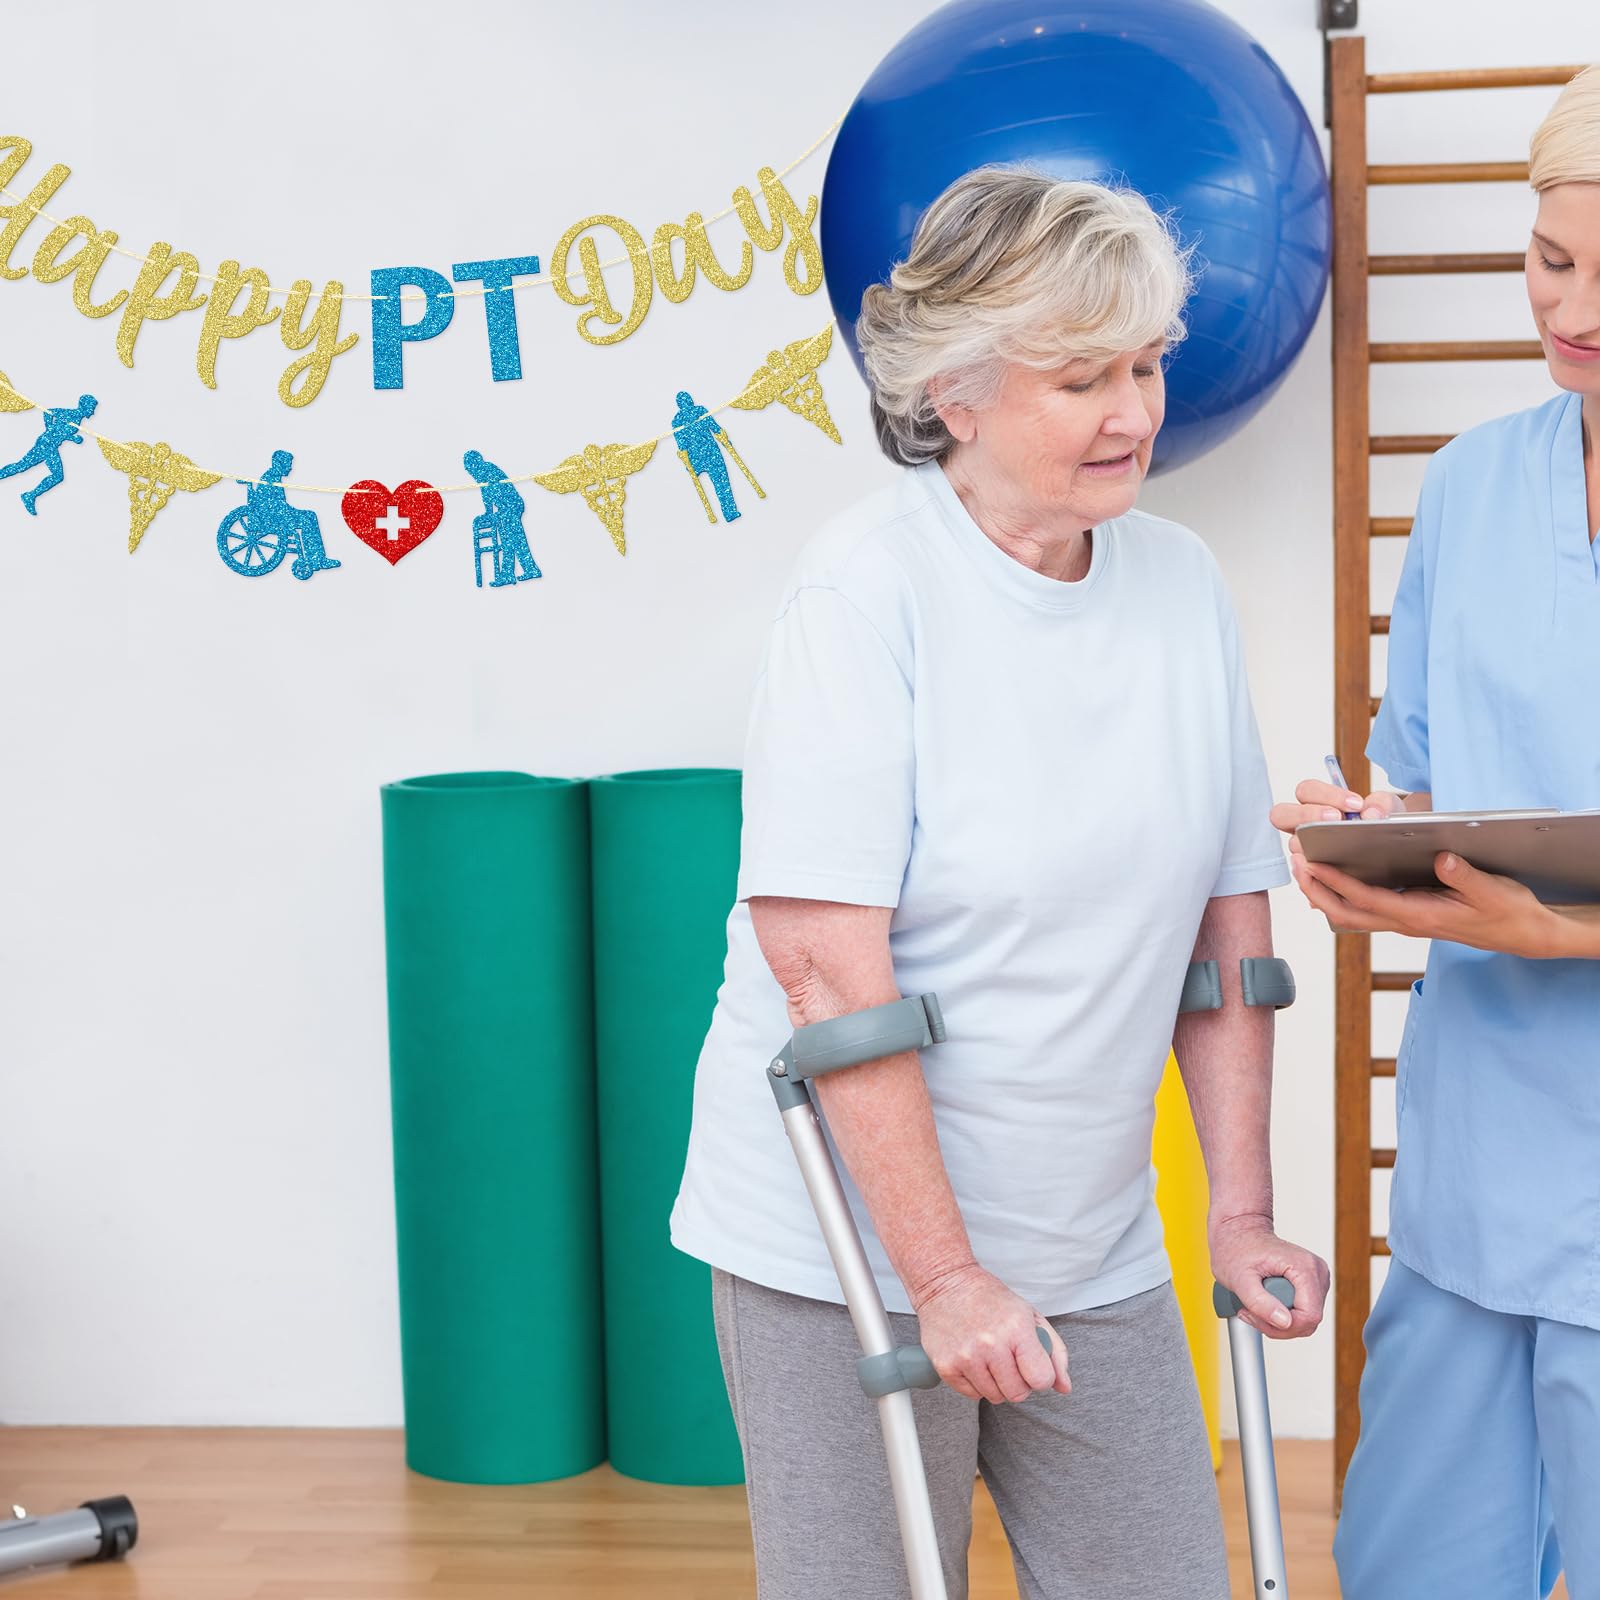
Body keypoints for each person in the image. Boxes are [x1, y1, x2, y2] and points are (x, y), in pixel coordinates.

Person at [670, 166, 1328, 1600]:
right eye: (1082, 375)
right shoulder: (867, 595)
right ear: (953, 393)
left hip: (1092, 1233)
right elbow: (830, 970)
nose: (1137, 412)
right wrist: (950, 1276)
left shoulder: (1181, 587)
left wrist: (1238, 1213)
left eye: (1148, 364)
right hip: (849, 1241)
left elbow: (1228, 938)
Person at [1271, 66, 1600, 1600]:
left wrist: (1569, 934)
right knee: (1411, 1565)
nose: (1573, 308)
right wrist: (1371, 829)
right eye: (1552, 260)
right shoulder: (1471, 487)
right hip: (1478, 1149)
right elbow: (1430, 773)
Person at [0, 393, 96, 514]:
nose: (92, 412)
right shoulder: (72, 414)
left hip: (52, 447)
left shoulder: (77, 420)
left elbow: (62, 432)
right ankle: (29, 496)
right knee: (22, 466)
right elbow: (48, 412)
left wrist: (73, 438)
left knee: (56, 475)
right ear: (85, 407)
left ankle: (30, 496)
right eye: (92, 408)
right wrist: (49, 428)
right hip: (45, 444)